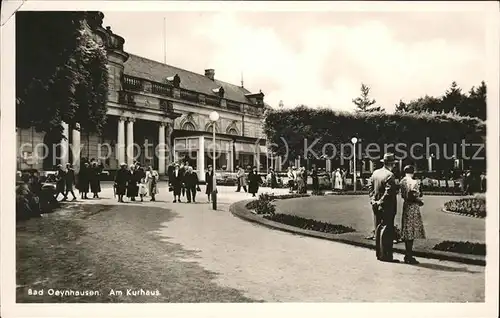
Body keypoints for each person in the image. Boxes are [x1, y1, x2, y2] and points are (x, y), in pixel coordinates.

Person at [367, 152, 399, 263]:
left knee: (378, 228)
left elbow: (370, 186)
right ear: (391, 164)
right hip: (387, 206)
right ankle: (386, 255)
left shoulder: (375, 173)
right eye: (394, 163)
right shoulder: (390, 175)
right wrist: (380, 201)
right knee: (387, 230)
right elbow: (389, 192)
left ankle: (379, 254)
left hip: (375, 205)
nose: (394, 165)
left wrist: (373, 199)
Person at [399, 165, 425, 264]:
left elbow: (404, 195)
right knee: (412, 230)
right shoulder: (413, 182)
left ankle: (407, 254)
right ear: (413, 172)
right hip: (413, 207)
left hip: (406, 206)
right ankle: (409, 255)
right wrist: (419, 200)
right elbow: (412, 195)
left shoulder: (402, 181)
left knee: (407, 229)